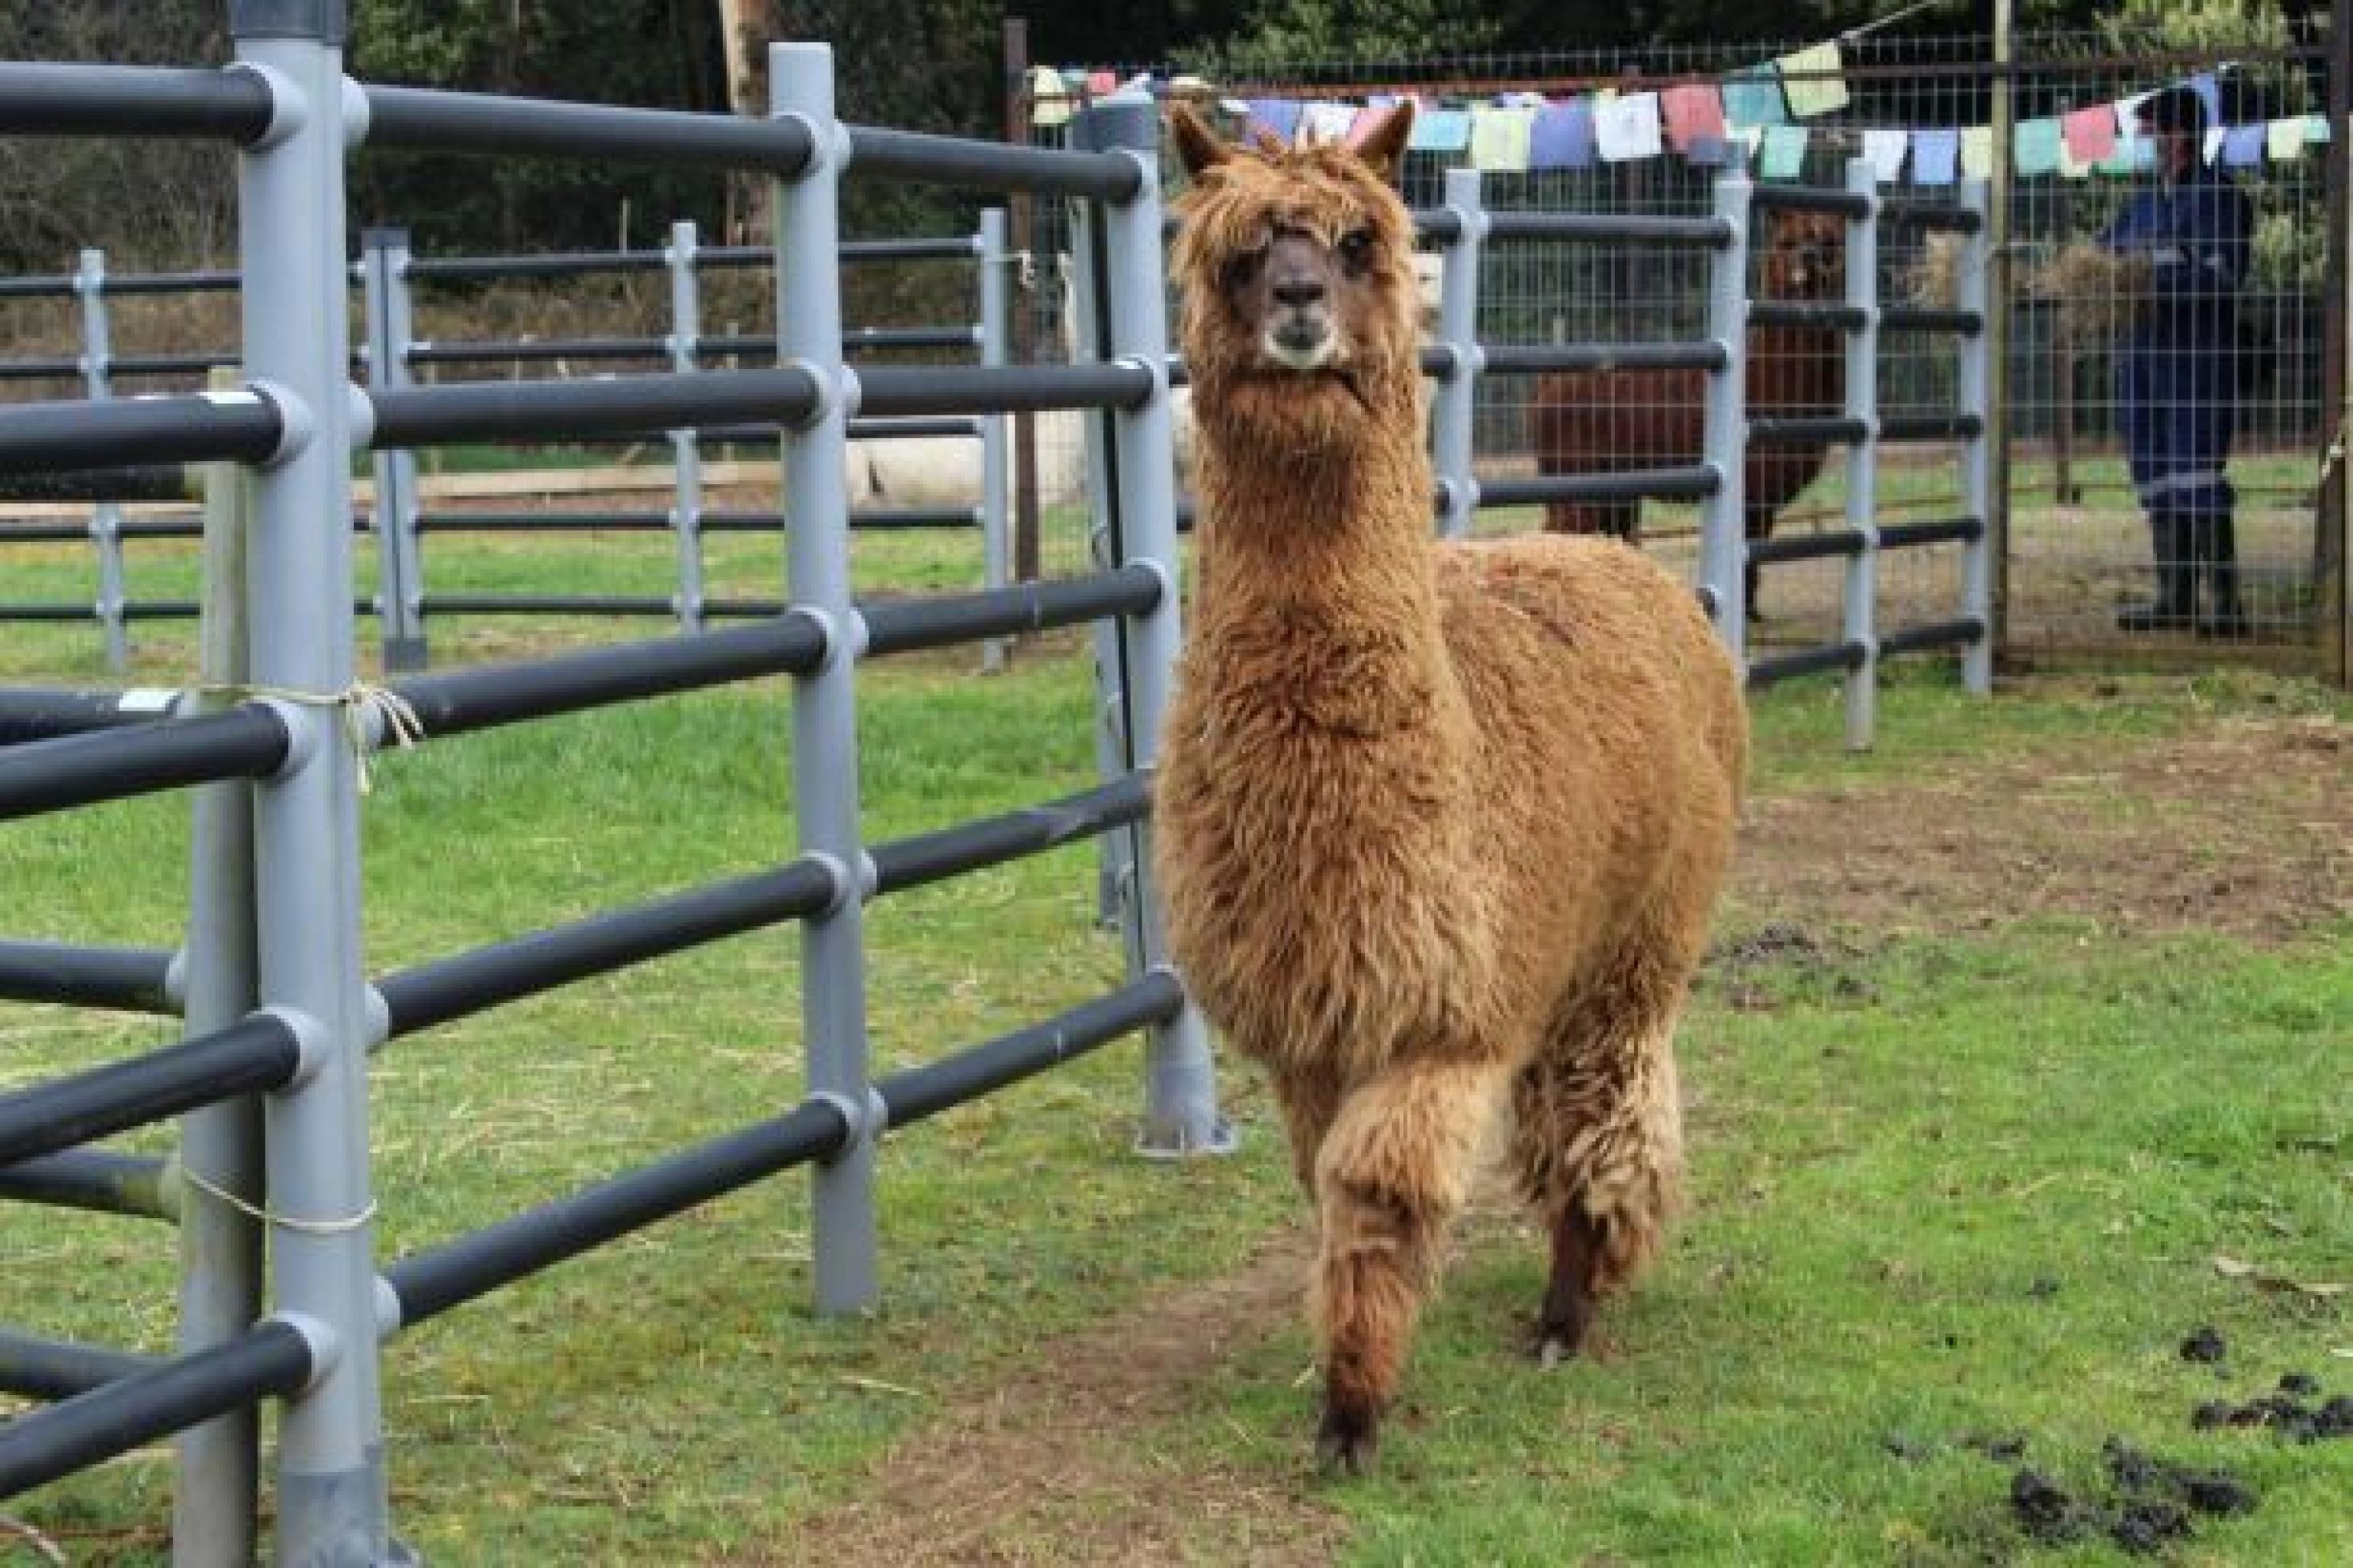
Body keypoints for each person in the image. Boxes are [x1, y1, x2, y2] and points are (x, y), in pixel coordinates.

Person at [2100, 85, 2255, 637]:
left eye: (2152, 134)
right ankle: (2174, 598)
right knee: (2153, 470)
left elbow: (2221, 275)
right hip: (2141, 356)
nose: (2145, 145)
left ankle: (2225, 607)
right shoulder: (2140, 205)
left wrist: (2151, 283)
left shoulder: (2219, 199)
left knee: (2195, 470)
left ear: (2180, 136)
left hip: (2196, 356)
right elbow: (2098, 261)